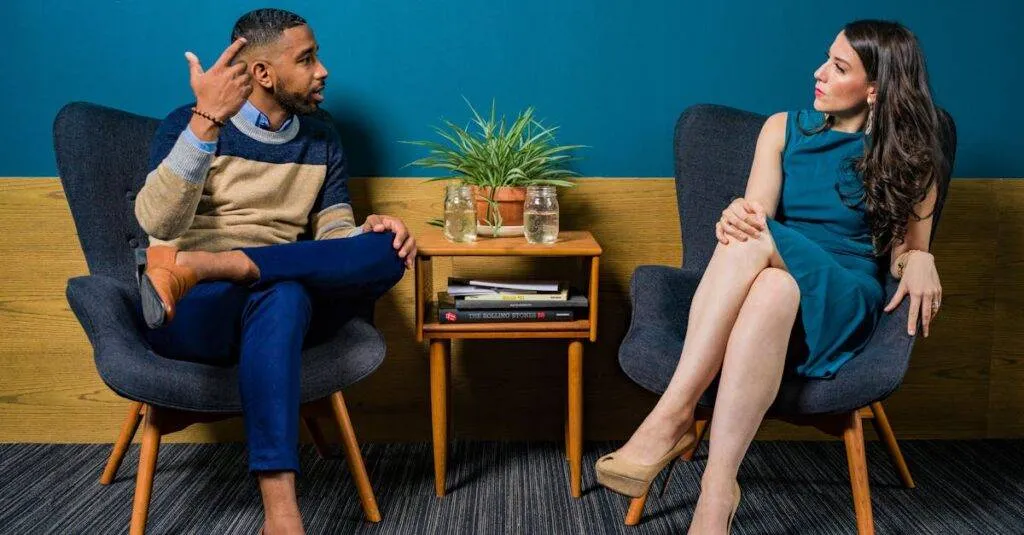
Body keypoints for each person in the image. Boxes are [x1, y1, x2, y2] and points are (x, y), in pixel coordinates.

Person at [595, 20, 948, 534]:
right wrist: (735, 214)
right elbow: (755, 214)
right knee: (770, 280)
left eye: (838, 67)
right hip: (777, 283)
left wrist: (919, 257)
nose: (819, 73)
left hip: (843, 293)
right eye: (826, 58)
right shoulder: (782, 129)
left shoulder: (912, 159)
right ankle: (718, 491)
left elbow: (903, 255)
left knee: (758, 238)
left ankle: (671, 416)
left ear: (874, 88)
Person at [134, 9, 416, 535]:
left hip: (269, 294)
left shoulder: (322, 138)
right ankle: (282, 515)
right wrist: (205, 122)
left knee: (387, 249)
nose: (322, 71)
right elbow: (157, 222)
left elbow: (333, 233)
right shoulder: (188, 123)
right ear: (263, 73)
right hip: (194, 308)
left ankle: (215, 265)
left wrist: (365, 233)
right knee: (285, 293)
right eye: (306, 60)